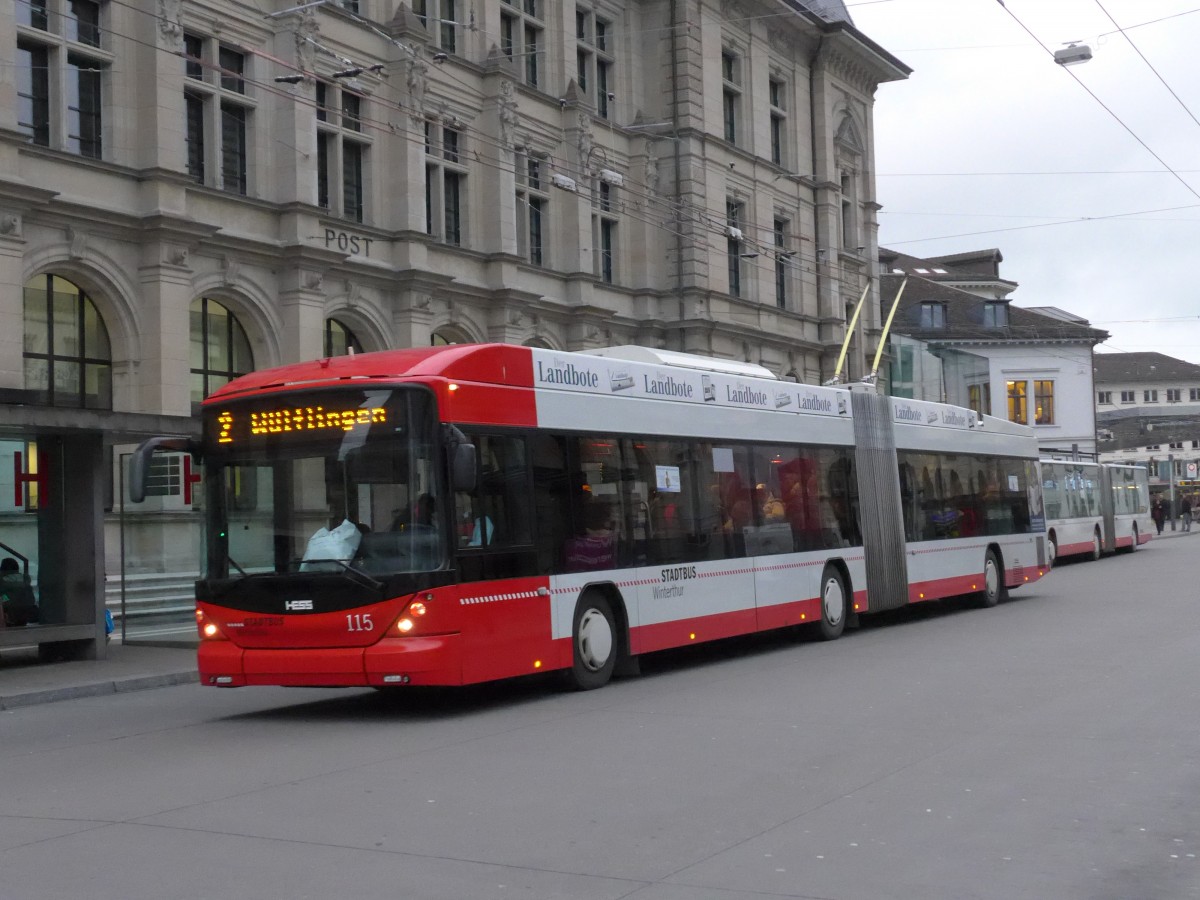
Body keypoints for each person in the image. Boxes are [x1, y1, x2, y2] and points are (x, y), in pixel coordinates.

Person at [0, 557, 39, 627]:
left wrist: (5, 599)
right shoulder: (25, 580)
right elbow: (31, 599)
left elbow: (4, 598)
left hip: (8, 614)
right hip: (26, 614)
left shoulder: (2, 581)